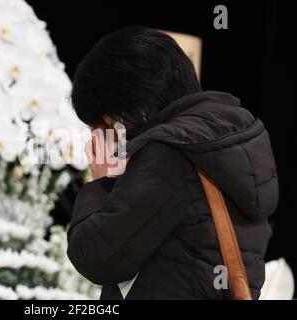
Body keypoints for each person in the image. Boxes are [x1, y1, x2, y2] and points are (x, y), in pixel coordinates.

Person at [67, 26, 279, 299]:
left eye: (106, 125)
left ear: (127, 108)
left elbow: (95, 258)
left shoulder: (168, 154)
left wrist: (104, 181)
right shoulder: (226, 139)